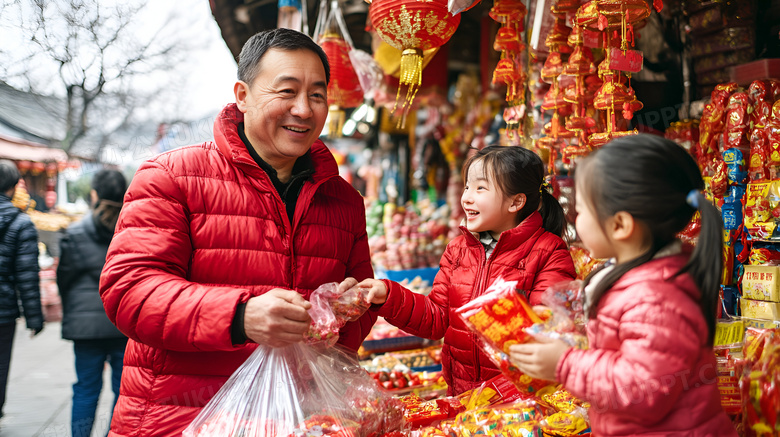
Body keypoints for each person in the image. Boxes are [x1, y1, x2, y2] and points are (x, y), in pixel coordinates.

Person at [99, 28, 376, 436]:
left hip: (298, 419)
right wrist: (240, 316)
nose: (303, 109)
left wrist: (344, 309)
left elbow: (351, 329)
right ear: (243, 95)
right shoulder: (172, 176)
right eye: (287, 91)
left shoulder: (344, 201)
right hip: (180, 417)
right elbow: (129, 291)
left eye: (317, 95)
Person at [509, 135, 737, 436]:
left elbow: (643, 388)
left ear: (620, 225)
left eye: (582, 211)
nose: (575, 220)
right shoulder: (641, 276)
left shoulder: (656, 297)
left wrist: (565, 364)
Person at [356, 145, 576, 395]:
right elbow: (437, 319)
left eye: (480, 188)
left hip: (518, 404)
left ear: (516, 202)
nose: (467, 197)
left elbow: (546, 330)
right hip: (462, 397)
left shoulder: (549, 252)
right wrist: (390, 295)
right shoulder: (458, 249)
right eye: (467, 187)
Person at [58, 169, 128, 437]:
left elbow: (64, 279)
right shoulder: (134, 229)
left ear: (94, 194)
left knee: (85, 389)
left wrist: (72, 312)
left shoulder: (74, 233)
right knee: (122, 391)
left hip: (85, 326)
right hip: (123, 322)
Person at [0, 160, 43, 420]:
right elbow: (27, 275)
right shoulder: (22, 223)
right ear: (15, 186)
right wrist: (34, 318)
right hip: (3, 310)